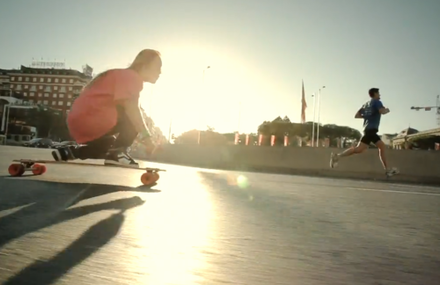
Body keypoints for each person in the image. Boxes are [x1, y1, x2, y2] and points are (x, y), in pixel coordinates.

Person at [52, 49, 161, 166]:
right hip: (93, 119)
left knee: (107, 145)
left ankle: (69, 152)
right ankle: (117, 154)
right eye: (158, 67)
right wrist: (147, 138)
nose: (160, 72)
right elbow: (132, 110)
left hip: (77, 122)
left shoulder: (118, 74)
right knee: (134, 115)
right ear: (144, 66)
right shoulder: (132, 77)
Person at [329, 88, 399, 177]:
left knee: (369, 148)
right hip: (371, 130)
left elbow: (357, 115)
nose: (379, 95)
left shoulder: (366, 104)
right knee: (370, 148)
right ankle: (387, 170)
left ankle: (337, 156)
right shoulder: (377, 102)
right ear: (375, 94)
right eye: (378, 93)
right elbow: (382, 111)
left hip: (368, 130)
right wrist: (387, 110)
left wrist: (367, 116)